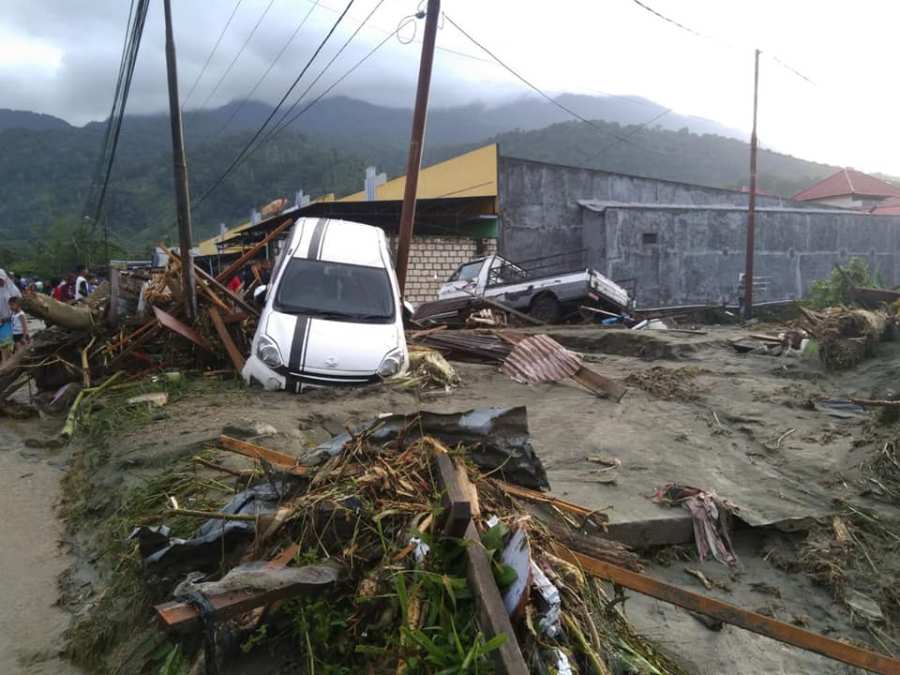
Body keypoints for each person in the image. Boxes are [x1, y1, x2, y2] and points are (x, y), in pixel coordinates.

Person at [0, 269, 22, 362]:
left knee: (18, 344)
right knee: (5, 347)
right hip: (3, 323)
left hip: (15, 321)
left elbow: (20, 304)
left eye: (1, 279)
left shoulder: (13, 289)